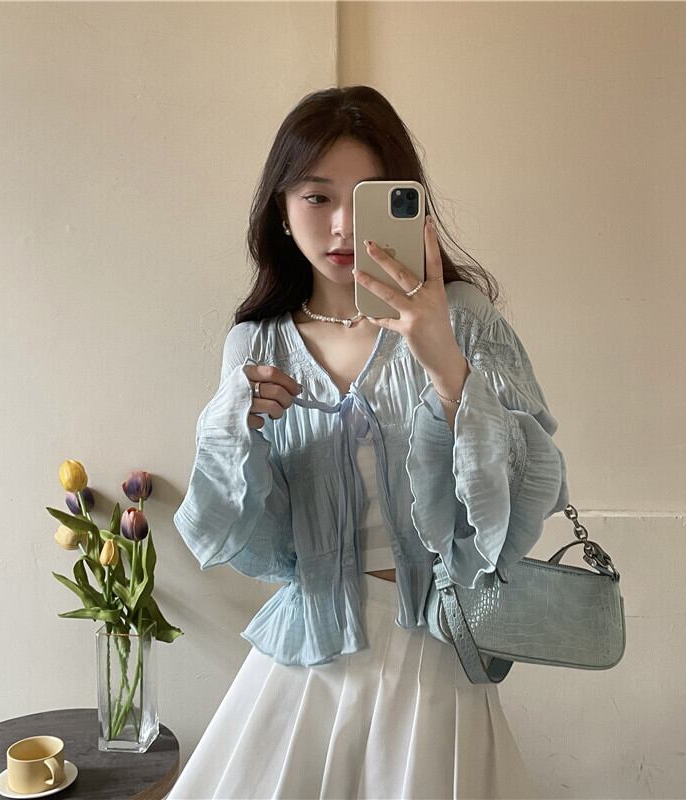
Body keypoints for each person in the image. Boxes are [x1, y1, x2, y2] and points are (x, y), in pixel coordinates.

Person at [168, 85, 568, 800]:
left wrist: (444, 362)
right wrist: (235, 431)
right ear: (281, 210)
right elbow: (243, 539)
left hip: (433, 656)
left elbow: (510, 508)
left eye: (368, 198)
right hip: (308, 660)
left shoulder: (464, 318)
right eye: (317, 197)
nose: (343, 224)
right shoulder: (255, 345)